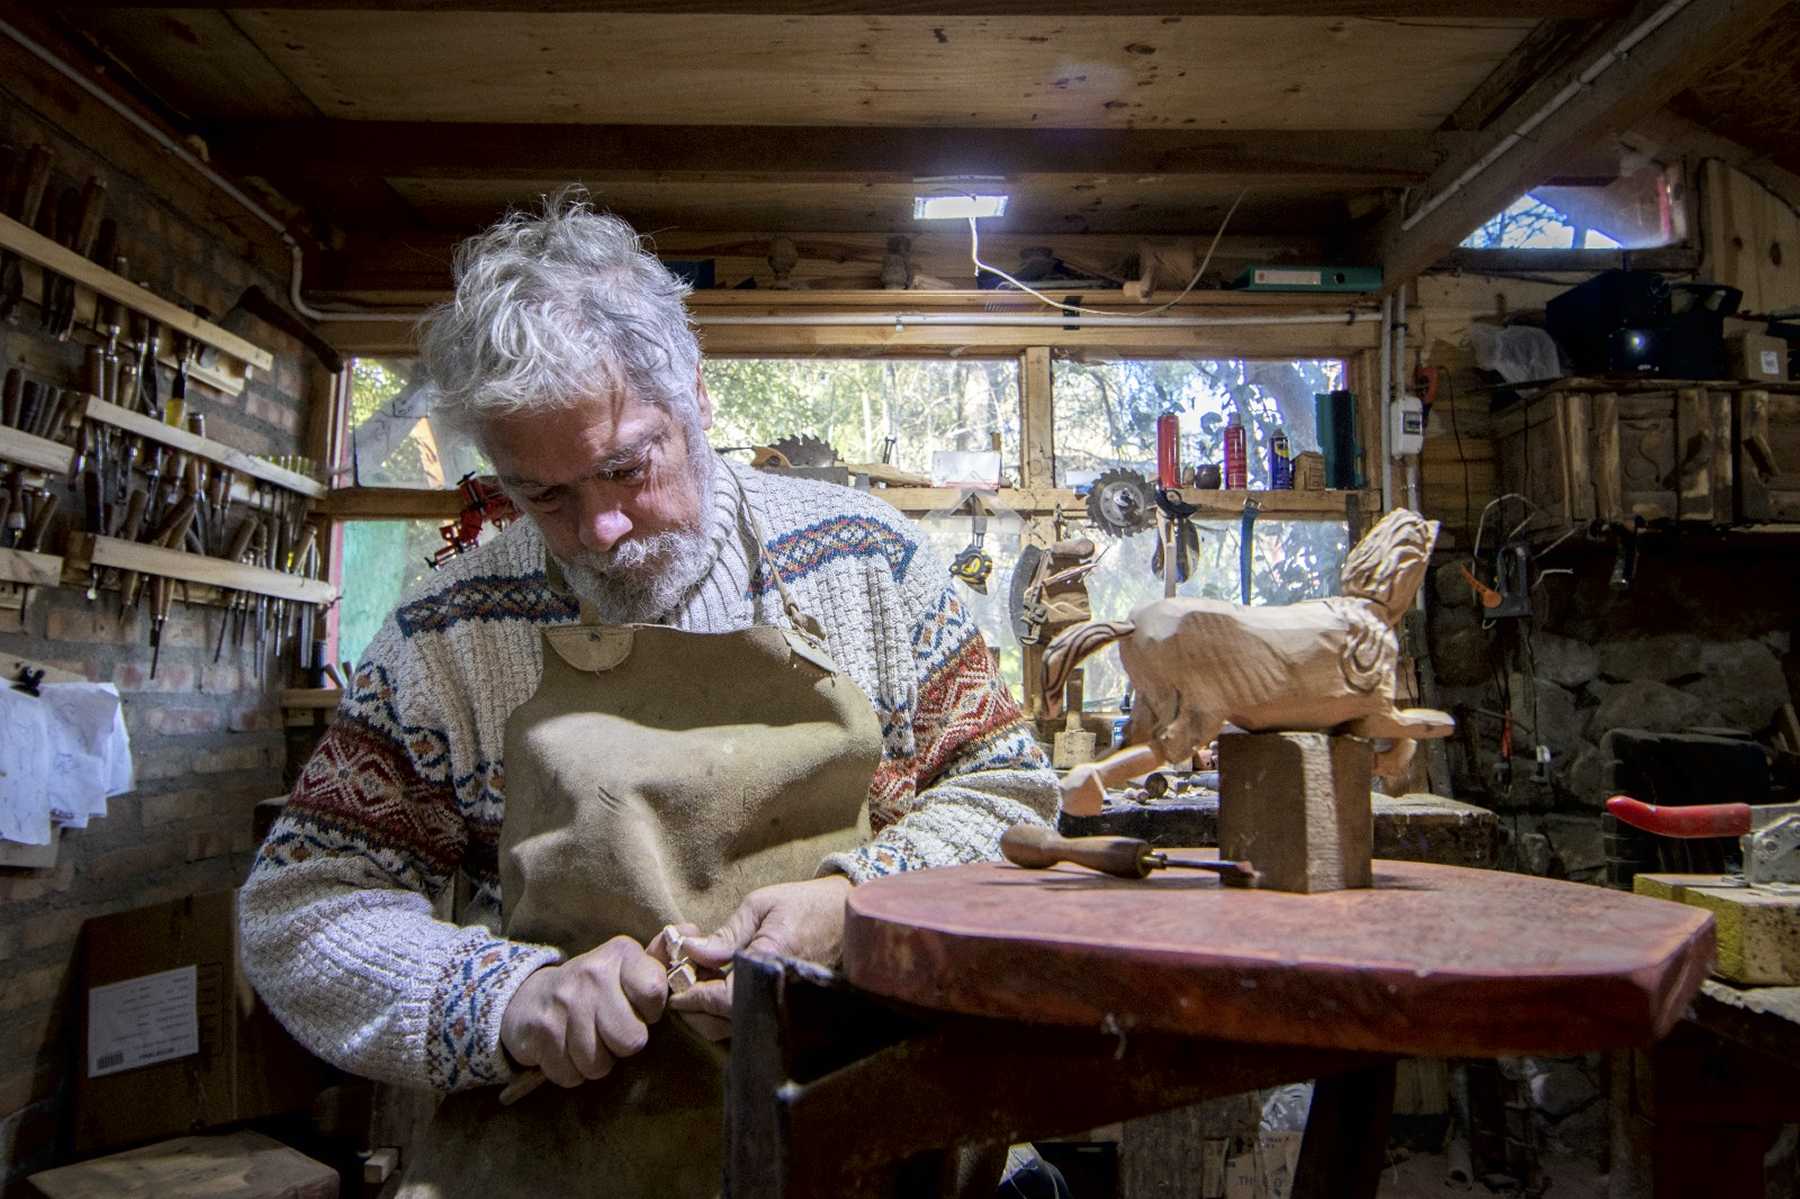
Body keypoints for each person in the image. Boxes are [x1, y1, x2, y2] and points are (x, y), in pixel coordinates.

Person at [239, 192, 1059, 1197]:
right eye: (543, 495)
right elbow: (301, 907)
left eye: (625, 468)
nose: (600, 530)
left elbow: (1008, 794)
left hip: (872, 1134)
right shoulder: (448, 634)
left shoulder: (866, 562)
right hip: (574, 1155)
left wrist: (861, 902)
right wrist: (504, 997)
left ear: (698, 398)